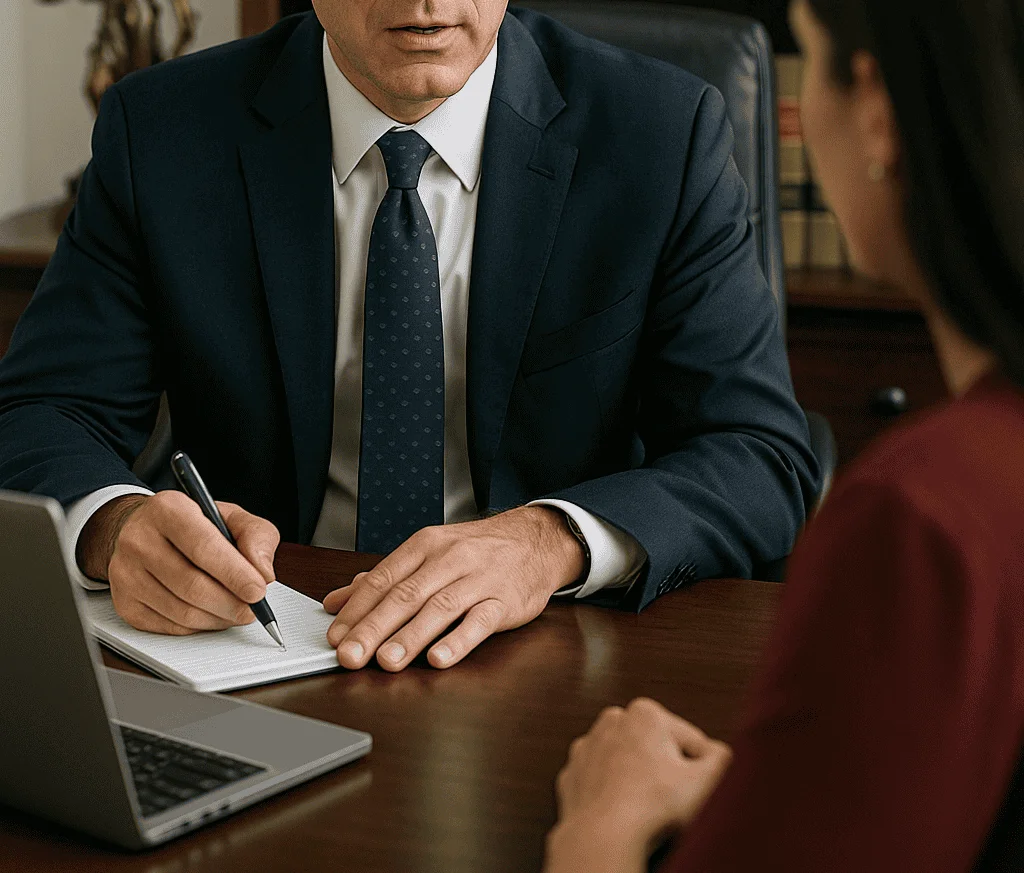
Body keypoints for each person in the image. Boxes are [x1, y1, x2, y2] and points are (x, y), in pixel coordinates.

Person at [0, 2, 818, 672]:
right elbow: (42, 411)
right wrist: (116, 526)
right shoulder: (165, 130)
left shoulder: (659, 135)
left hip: (547, 655)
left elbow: (758, 452)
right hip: (260, 648)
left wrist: (551, 539)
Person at [545, 0, 1024, 869]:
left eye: (814, 59)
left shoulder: (920, 516)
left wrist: (602, 822)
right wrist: (800, 781)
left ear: (875, 112)